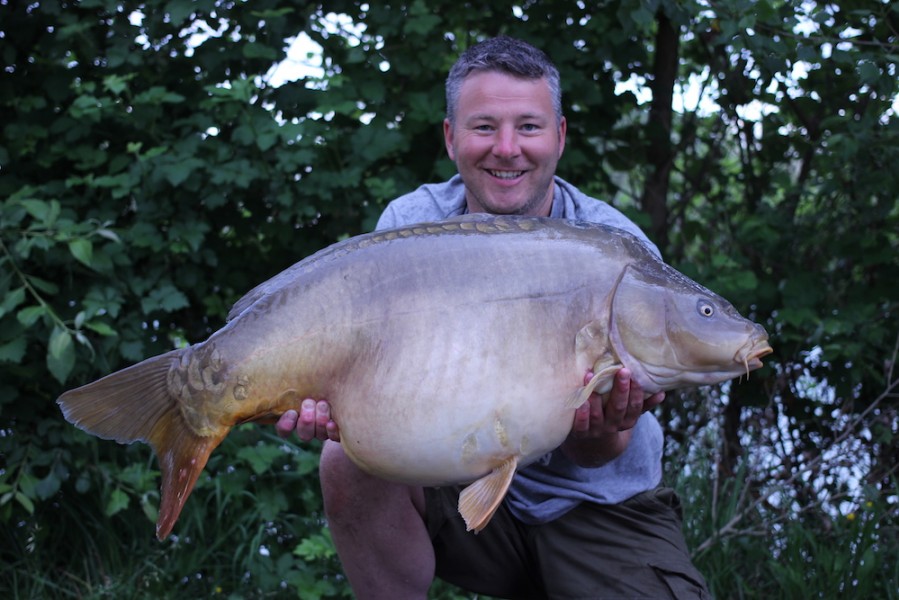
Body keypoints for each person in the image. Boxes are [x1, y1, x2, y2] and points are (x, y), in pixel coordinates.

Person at [277, 36, 710, 599]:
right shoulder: (412, 226)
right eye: (484, 127)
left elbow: (594, 454)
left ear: (560, 135)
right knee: (344, 460)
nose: (507, 148)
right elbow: (382, 387)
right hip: (456, 486)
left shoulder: (615, 248)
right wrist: (336, 403)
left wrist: (608, 418)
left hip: (600, 508)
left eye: (528, 127)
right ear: (451, 137)